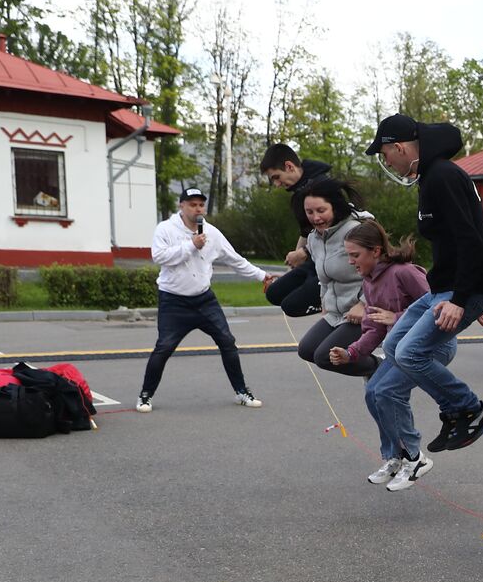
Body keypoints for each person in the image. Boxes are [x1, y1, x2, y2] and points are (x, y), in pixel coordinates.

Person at [365, 113, 483, 453]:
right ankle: (455, 411)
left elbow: (471, 240)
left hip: (458, 292)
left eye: (385, 154)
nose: (386, 162)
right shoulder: (430, 177)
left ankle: (469, 409)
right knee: (395, 347)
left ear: (398, 147)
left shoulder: (442, 176)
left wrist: (464, 299)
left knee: (409, 352)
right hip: (444, 288)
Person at [136, 187, 273, 413]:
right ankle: (145, 395)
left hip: (204, 300)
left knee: (227, 342)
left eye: (201, 204)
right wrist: (191, 245)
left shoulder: (212, 233)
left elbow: (236, 260)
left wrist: (262, 276)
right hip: (173, 300)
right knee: (164, 347)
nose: (198, 209)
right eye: (192, 204)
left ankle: (241, 392)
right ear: (181, 206)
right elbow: (159, 256)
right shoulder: (166, 229)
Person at [333, 220, 438, 488]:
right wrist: (351, 352)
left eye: (355, 255)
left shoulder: (404, 272)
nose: (351, 261)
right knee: (373, 392)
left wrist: (398, 317)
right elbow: (374, 329)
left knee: (389, 392)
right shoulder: (369, 283)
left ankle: (415, 458)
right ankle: (395, 456)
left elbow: (437, 305)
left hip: (426, 347)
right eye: (348, 255)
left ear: (376, 251)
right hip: (398, 349)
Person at [295, 179, 374, 377]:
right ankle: (369, 365)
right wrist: (324, 299)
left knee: (324, 356)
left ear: (335, 206)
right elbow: (325, 277)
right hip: (336, 311)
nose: (315, 217)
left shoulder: (355, 231)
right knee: (307, 350)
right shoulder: (314, 238)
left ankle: (380, 367)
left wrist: (363, 304)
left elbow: (379, 271)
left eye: (321, 210)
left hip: (362, 310)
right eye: (309, 212)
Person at [258, 144, 330, 317]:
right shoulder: (299, 194)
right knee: (275, 293)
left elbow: (338, 232)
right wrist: (292, 266)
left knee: (291, 306)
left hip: (331, 262)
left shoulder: (323, 188)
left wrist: (304, 252)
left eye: (277, 177)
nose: (276, 184)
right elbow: (306, 233)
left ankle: (338, 304)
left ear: (289, 166)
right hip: (314, 259)